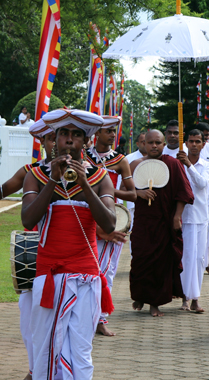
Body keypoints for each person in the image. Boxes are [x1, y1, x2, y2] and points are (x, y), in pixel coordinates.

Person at [21, 109, 113, 380]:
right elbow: (29, 219)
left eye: (76, 135)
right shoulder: (36, 175)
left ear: (86, 141)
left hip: (86, 275)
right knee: (45, 346)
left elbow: (109, 224)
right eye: (63, 134)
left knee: (81, 350)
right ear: (54, 140)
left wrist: (84, 183)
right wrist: (53, 181)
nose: (69, 139)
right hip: (48, 274)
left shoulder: (102, 176)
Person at [0, 120, 56, 380]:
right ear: (43, 143)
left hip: (70, 253)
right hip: (35, 252)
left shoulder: (87, 172)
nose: (56, 143)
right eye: (50, 138)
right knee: (30, 317)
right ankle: (36, 369)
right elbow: (0, 192)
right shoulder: (31, 171)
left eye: (63, 136)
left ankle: (57, 372)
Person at [129, 129, 194, 317]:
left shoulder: (172, 164)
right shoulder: (135, 165)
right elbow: (123, 190)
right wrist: (138, 193)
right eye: (150, 143)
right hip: (143, 222)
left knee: (161, 262)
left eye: (158, 142)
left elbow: (184, 192)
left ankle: (155, 303)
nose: (154, 146)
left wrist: (177, 217)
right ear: (143, 145)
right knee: (140, 259)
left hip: (165, 222)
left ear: (164, 145)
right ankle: (140, 295)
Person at [85, 116, 137, 337]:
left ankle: (100, 319)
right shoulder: (83, 156)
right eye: (107, 131)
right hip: (85, 218)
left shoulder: (120, 160)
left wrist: (106, 189)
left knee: (107, 272)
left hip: (113, 219)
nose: (112, 135)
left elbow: (133, 194)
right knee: (87, 272)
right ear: (97, 133)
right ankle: (84, 316)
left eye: (114, 131)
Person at [176, 130, 209, 314]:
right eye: (191, 141)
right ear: (186, 143)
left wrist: (188, 164)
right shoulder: (178, 164)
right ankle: (185, 297)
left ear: (203, 144)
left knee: (199, 259)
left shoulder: (207, 165)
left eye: (198, 141)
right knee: (186, 258)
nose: (194, 145)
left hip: (201, 218)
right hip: (184, 218)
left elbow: (202, 184)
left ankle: (196, 298)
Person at [195, 122, 209, 275]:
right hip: (191, 191)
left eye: (207, 137)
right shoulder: (186, 147)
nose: (205, 140)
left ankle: (207, 263)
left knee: (208, 227)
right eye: (203, 136)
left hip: (207, 190)